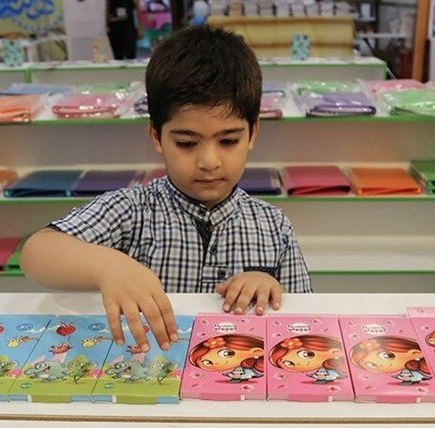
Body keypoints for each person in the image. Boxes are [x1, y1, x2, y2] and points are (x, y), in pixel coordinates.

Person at [21, 27, 312, 352]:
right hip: (147, 374)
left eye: (228, 141)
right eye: (186, 143)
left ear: (253, 133)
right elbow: (36, 252)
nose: (209, 161)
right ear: (157, 137)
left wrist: (271, 287)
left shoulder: (274, 226)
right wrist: (108, 266)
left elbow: (307, 318)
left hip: (235, 377)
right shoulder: (132, 210)